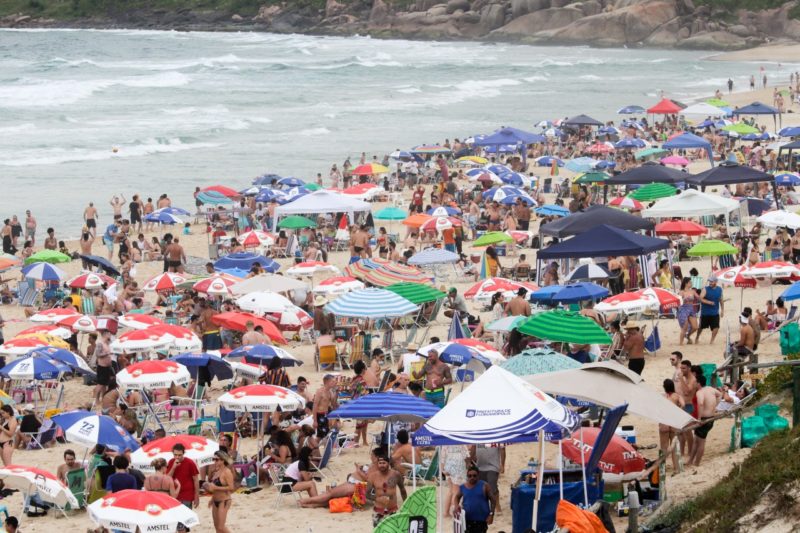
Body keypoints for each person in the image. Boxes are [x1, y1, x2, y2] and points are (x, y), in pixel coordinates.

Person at [689, 375, 721, 468]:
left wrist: (698, 418)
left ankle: (697, 463)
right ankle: (691, 460)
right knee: (696, 440)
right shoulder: (710, 389)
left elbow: (701, 403)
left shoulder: (700, 392)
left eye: (695, 382)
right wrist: (715, 405)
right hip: (710, 418)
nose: (694, 384)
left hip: (704, 419)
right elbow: (719, 394)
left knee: (701, 441)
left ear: (698, 383)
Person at [366, 452, 407, 527]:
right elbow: (367, 494)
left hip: (392, 509)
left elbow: (402, 490)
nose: (382, 465)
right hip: (378, 510)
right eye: (380, 463)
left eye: (384, 463)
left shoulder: (396, 474)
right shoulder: (372, 476)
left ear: (388, 463)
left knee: (394, 530)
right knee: (377, 531)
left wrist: (406, 504)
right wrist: (377, 499)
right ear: (377, 464)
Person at [453, 465, 498, 533]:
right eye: (470, 476)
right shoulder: (463, 487)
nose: (472, 477)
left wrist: (491, 514)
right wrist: (456, 505)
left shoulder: (484, 485)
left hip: (481, 521)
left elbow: (493, 500)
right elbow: (456, 497)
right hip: (466, 520)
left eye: (474, 475)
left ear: (478, 475)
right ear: (467, 476)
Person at [203, 451, 235, 533]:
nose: (214, 461)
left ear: (223, 460)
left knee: (221, 527)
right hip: (215, 501)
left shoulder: (227, 472)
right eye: (214, 459)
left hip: (224, 501)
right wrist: (212, 499)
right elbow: (213, 488)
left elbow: (231, 488)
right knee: (216, 527)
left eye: (216, 459)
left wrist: (216, 487)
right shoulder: (216, 472)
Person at [471, 444, 504, 512]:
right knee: (481, 488)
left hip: (493, 466)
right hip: (479, 466)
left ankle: (496, 505)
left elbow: (502, 449)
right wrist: (471, 460)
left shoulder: (497, 434)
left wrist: (503, 465)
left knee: (492, 486)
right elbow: (473, 447)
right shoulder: (476, 434)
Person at [659, 379, 684, 472]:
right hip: (674, 422)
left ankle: (662, 469)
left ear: (664, 387)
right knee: (674, 447)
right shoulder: (677, 396)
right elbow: (683, 404)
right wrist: (678, 411)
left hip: (664, 422)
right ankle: (677, 468)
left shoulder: (662, 396)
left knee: (663, 447)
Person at [167, 442, 200, 510]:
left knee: (186, 518)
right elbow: (167, 479)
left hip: (187, 495)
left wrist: (196, 496)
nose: (177, 457)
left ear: (183, 453)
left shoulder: (190, 462)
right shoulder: (171, 462)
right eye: (175, 455)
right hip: (174, 495)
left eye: (180, 455)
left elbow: (196, 480)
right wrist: (173, 467)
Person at [675, 358, 697, 456]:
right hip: (683, 406)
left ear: (689, 368)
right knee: (681, 432)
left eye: (683, 368)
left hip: (688, 406)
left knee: (688, 432)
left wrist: (681, 379)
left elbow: (687, 391)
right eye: (681, 368)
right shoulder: (686, 378)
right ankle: (682, 452)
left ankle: (691, 452)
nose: (681, 370)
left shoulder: (692, 379)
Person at [696, 274, 723, 344]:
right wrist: (708, 302)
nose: (710, 283)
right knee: (701, 327)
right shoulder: (705, 289)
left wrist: (722, 310)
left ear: (716, 282)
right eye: (709, 281)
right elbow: (700, 298)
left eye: (712, 281)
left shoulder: (719, 289)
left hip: (715, 312)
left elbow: (721, 300)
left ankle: (712, 340)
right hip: (705, 312)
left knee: (716, 327)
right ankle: (697, 337)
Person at [677, 277, 699, 345]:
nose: (691, 283)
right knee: (685, 326)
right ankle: (681, 343)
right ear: (686, 283)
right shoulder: (681, 292)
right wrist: (684, 299)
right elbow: (679, 301)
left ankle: (688, 335)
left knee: (695, 327)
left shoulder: (693, 291)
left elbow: (699, 298)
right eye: (690, 282)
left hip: (691, 309)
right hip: (683, 309)